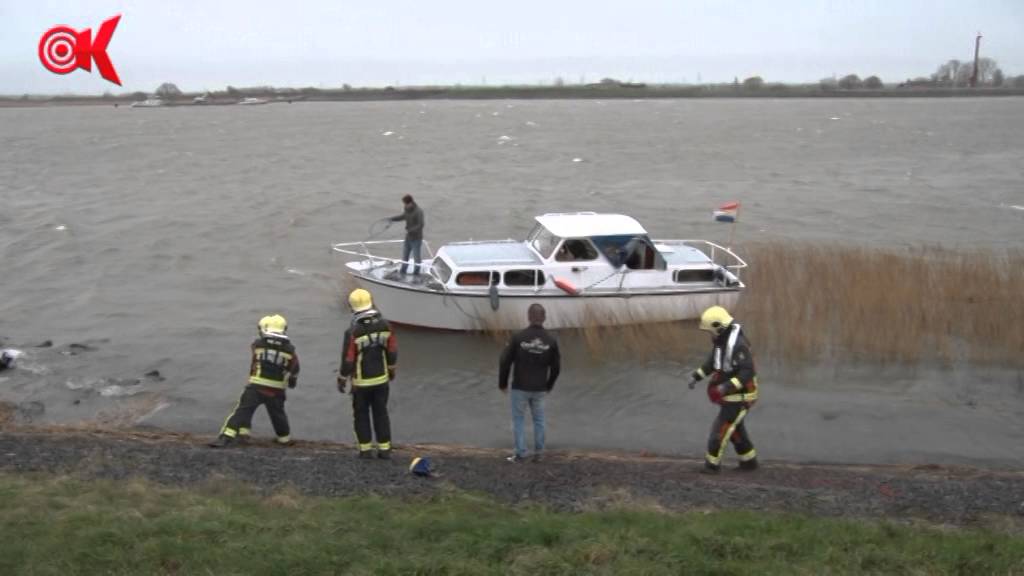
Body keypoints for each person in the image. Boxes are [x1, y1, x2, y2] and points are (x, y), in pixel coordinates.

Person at [210, 314, 300, 448]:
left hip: (257, 385)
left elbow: (254, 363)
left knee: (243, 410)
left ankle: (226, 436)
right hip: (277, 389)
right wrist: (292, 380)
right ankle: (284, 439)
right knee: (278, 415)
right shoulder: (290, 349)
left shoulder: (257, 345)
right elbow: (295, 367)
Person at [689, 305, 759, 473]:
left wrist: (726, 386)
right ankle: (749, 462)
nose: (709, 335)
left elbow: (747, 372)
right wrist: (696, 376)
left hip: (740, 397)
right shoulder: (721, 343)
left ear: (719, 328)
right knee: (735, 430)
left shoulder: (739, 345)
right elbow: (712, 363)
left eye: (710, 332)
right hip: (730, 396)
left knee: (720, 429)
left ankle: (712, 465)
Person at [338, 288, 398, 459]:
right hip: (382, 380)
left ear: (352, 307)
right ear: (371, 302)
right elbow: (392, 350)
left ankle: (365, 450)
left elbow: (348, 359)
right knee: (381, 412)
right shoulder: (386, 325)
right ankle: (385, 449)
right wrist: (392, 369)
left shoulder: (352, 332)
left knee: (361, 414)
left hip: (361, 383)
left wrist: (342, 378)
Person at [498, 303, 561, 463]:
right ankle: (539, 453)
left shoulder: (518, 338)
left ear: (528, 317)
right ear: (544, 318)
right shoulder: (551, 340)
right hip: (540, 388)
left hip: (520, 386)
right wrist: (549, 385)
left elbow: (505, 361)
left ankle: (521, 453)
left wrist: (502, 383)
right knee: (539, 420)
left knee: (518, 420)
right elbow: (556, 367)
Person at [388, 194, 425, 275]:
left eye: (405, 203)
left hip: (416, 239)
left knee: (416, 258)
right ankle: (403, 272)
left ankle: (416, 273)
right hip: (408, 238)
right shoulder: (407, 210)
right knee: (405, 257)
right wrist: (392, 219)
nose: (404, 205)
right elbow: (403, 216)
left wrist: (411, 230)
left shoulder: (419, 211)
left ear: (410, 203)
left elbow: (421, 225)